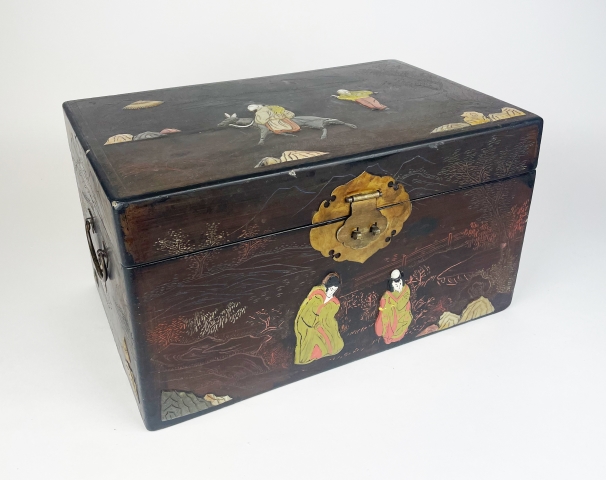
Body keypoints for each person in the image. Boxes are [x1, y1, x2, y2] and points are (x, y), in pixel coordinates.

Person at [294, 273, 345, 365]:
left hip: (324, 323)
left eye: (335, 290)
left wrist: (323, 323)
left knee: (331, 338)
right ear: (327, 286)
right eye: (331, 289)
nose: (332, 292)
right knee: (311, 337)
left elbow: (329, 316)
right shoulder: (317, 294)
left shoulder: (334, 302)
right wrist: (313, 322)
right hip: (308, 322)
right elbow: (306, 310)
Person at [375, 269, 412, 344]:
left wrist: (392, 303)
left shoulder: (406, 289)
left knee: (403, 322)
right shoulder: (387, 295)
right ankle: (390, 337)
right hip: (392, 317)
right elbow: (384, 304)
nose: (398, 285)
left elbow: (401, 304)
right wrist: (386, 304)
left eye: (399, 282)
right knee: (389, 323)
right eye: (395, 283)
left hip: (403, 314)